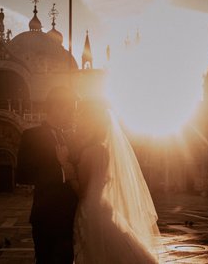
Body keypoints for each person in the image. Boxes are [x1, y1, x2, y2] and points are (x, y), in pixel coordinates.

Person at [57, 102, 161, 263]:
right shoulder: (103, 150)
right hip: (103, 207)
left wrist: (65, 167)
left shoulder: (89, 151)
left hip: (90, 210)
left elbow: (82, 191)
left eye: (84, 119)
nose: (80, 122)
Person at [17, 86, 79, 264]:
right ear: (57, 107)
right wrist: (60, 173)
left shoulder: (69, 137)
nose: (74, 114)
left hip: (69, 217)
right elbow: (23, 174)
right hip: (46, 216)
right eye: (71, 108)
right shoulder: (32, 135)